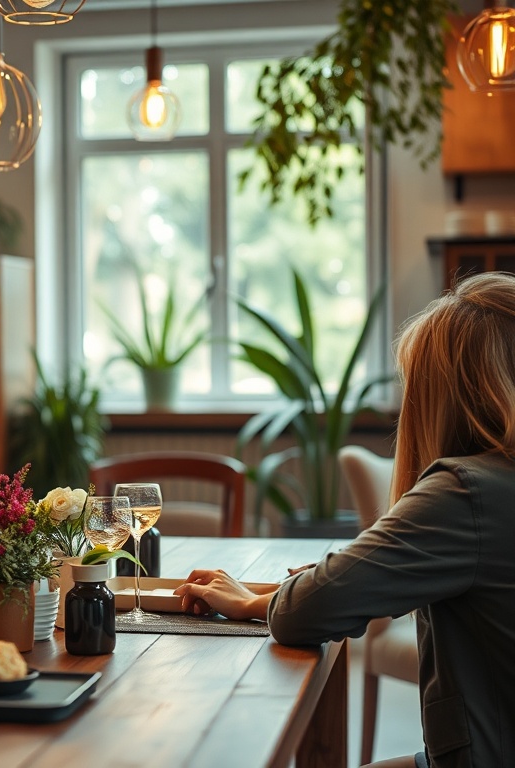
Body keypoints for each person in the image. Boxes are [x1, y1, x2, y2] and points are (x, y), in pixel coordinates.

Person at [174, 272, 515, 768]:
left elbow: (303, 614)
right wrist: (281, 592)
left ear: (442, 396)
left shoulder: (467, 491)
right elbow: (372, 582)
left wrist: (255, 605)